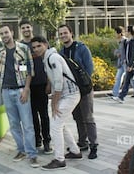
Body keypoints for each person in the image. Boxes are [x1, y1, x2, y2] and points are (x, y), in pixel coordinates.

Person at [0, 24, 39, 168]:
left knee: (28, 124)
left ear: (12, 32)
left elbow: (30, 70)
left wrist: (26, 89)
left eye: (6, 32)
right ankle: (21, 150)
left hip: (21, 91)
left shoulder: (23, 48)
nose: (4, 35)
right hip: (5, 91)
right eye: (2, 33)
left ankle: (32, 154)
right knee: (13, 124)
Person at [31, 36, 82, 170]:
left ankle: (59, 159)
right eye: (34, 47)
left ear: (46, 44)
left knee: (55, 125)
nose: (36, 49)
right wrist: (49, 87)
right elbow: (54, 80)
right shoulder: (47, 58)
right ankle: (75, 151)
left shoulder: (53, 58)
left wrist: (54, 104)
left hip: (70, 95)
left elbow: (59, 82)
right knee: (60, 124)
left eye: (39, 46)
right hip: (66, 95)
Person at [58, 24, 98, 159]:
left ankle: (94, 145)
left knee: (88, 117)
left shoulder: (81, 48)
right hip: (72, 92)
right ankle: (82, 142)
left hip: (85, 89)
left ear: (71, 33)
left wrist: (82, 85)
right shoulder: (61, 52)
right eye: (61, 34)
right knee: (78, 117)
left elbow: (89, 69)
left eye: (65, 33)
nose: (63, 35)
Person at [18, 19, 52, 154]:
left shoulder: (40, 42)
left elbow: (48, 64)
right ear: (21, 30)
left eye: (28, 27)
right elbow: (19, 66)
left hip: (42, 84)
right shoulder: (19, 46)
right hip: (28, 87)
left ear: (32, 27)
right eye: (23, 28)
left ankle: (47, 142)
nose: (26, 29)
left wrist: (49, 83)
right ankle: (37, 139)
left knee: (43, 114)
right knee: (31, 115)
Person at [109, 26, 134, 98]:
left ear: (120, 33)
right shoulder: (121, 41)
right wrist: (117, 52)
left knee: (131, 78)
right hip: (121, 63)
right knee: (119, 77)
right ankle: (115, 93)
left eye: (115, 33)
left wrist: (126, 60)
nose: (115, 35)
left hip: (125, 62)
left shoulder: (125, 41)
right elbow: (121, 51)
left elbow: (127, 52)